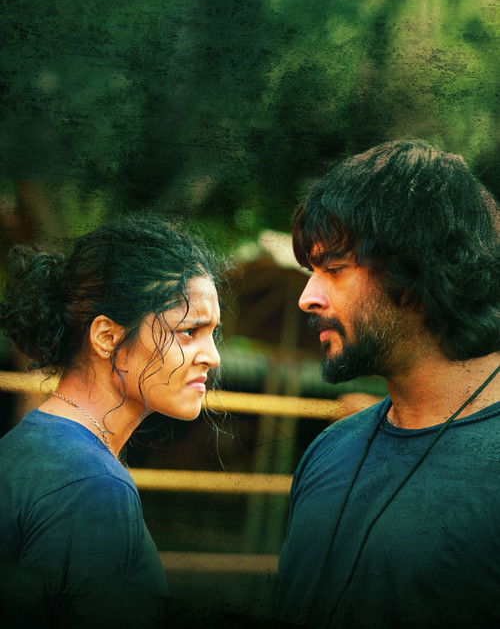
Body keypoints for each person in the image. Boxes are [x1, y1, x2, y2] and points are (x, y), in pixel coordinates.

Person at [275, 140, 500, 629]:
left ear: (416, 270)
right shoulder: (330, 449)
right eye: (311, 271)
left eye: (334, 269)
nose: (307, 297)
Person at [0, 214, 221, 628]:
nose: (212, 356)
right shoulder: (92, 485)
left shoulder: (27, 445)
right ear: (107, 337)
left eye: (213, 334)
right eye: (189, 332)